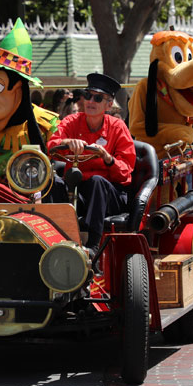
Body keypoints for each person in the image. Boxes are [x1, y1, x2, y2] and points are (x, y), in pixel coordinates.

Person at [47, 73, 136, 254]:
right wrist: (67, 143)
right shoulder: (71, 121)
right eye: (88, 95)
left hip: (109, 192)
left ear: (109, 105)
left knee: (97, 181)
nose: (90, 101)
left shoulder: (118, 127)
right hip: (78, 189)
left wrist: (107, 157)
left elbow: (125, 173)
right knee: (53, 183)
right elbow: (51, 146)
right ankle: (54, 241)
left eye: (98, 98)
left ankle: (93, 246)